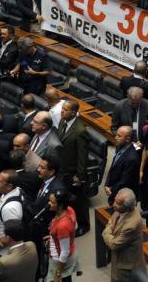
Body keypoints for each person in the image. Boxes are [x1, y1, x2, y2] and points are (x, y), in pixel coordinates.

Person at [58, 100, 90, 236]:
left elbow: (83, 157)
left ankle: (84, 225)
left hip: (73, 171)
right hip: (63, 167)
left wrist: (80, 176)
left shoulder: (80, 131)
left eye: (65, 109)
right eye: (62, 109)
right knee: (68, 198)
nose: (62, 111)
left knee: (79, 200)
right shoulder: (62, 122)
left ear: (73, 112)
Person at [102, 188, 146, 282]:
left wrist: (106, 231)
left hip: (127, 267)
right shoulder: (120, 210)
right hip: (119, 258)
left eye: (117, 203)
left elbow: (114, 244)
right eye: (115, 201)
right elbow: (111, 221)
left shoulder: (131, 225)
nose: (114, 204)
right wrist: (110, 228)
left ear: (127, 207)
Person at [46, 189, 81, 282]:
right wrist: (54, 237)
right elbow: (75, 226)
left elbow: (64, 251)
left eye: (52, 202)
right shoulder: (69, 209)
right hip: (67, 254)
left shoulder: (63, 226)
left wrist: (58, 273)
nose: (48, 203)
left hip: (58, 259)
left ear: (60, 206)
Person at [104, 126, 140, 206]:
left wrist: (111, 189)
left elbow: (125, 181)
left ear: (127, 139)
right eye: (116, 135)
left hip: (123, 198)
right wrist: (107, 184)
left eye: (119, 136)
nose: (116, 137)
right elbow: (112, 167)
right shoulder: (119, 147)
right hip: (114, 190)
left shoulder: (132, 158)